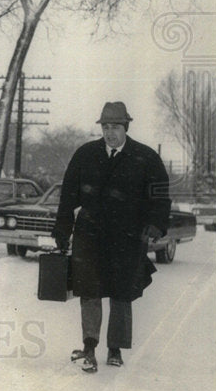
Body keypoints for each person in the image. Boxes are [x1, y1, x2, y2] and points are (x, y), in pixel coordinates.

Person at [52, 101, 170, 373]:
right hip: (89, 234)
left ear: (126, 127)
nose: (109, 132)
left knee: (121, 292)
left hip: (127, 237)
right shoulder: (85, 155)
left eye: (115, 126)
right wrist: (62, 228)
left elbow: (160, 196)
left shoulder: (145, 157)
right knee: (89, 290)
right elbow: (68, 195)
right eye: (105, 126)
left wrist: (155, 225)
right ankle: (90, 346)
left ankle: (115, 348)